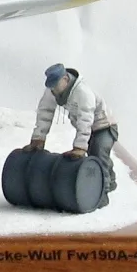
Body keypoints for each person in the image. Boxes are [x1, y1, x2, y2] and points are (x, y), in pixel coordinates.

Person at [23, 63, 119, 201]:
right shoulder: (53, 90)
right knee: (96, 153)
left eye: (55, 85)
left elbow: (85, 120)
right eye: (51, 86)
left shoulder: (82, 92)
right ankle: (111, 180)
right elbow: (45, 111)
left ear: (65, 79)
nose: (53, 90)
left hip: (104, 126)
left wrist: (80, 147)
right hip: (90, 129)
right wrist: (39, 138)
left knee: (98, 154)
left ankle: (102, 195)